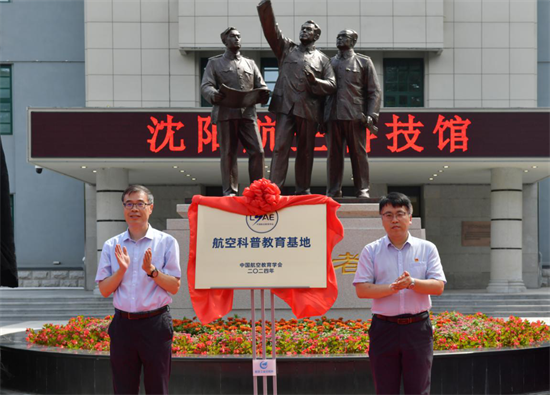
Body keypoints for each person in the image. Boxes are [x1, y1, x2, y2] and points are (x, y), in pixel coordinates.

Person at [353, 192, 446, 395]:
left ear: (410, 218)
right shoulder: (371, 251)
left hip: (418, 329)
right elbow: (362, 289)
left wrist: (411, 283)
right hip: (383, 329)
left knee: (419, 389)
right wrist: (393, 288)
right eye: (388, 214)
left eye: (400, 213)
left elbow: (438, 286)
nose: (394, 219)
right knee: (385, 390)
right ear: (382, 219)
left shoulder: (427, 248)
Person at [96, 185, 181, 395]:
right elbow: (104, 290)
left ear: (150, 208)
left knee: (157, 388)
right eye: (129, 204)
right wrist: (121, 271)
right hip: (123, 326)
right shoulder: (111, 245)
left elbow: (174, 286)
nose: (134, 208)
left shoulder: (166, 242)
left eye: (140, 204)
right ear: (123, 208)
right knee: (123, 388)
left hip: (155, 325)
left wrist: (152, 271)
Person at [257, 0, 336, 194]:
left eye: (308, 30)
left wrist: (315, 81)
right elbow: (271, 30)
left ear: (316, 36)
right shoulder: (286, 49)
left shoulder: (323, 60)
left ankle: (303, 189)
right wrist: (265, 7)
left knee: (306, 152)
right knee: (280, 147)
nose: (303, 32)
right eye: (302, 29)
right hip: (285, 107)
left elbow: (332, 85)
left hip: (308, 110)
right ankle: (273, 189)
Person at [201, 27, 269, 196]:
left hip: (248, 114)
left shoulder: (250, 63)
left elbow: (261, 86)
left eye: (239, 36)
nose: (237, 39)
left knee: (258, 151)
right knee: (229, 153)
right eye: (232, 37)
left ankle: (258, 189)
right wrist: (213, 94)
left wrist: (264, 94)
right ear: (225, 41)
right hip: (226, 113)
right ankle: (230, 190)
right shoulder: (214, 63)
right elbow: (206, 85)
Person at [325, 30, 381, 198]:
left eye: (344, 37)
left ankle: (362, 189)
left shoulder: (363, 62)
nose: (339, 39)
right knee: (333, 156)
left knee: (358, 155)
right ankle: (333, 190)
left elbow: (374, 91)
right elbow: (320, 93)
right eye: (338, 36)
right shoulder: (328, 63)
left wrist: (371, 115)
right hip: (332, 115)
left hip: (355, 116)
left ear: (353, 41)